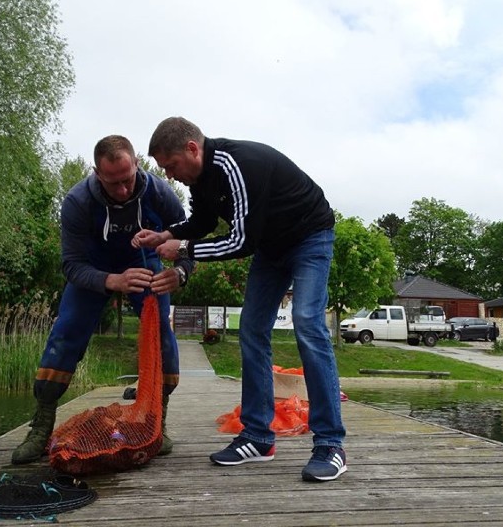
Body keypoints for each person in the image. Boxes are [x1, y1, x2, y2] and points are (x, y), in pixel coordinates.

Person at [132, 116, 347, 482]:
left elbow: (240, 242)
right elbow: (201, 223)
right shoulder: (201, 179)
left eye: (171, 166)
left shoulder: (236, 165)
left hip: (309, 236)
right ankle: (258, 438)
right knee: (251, 329)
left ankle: (330, 445)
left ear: (192, 149)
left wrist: (183, 247)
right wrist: (164, 234)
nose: (170, 175)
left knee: (308, 324)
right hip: (272, 246)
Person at [11, 135, 194, 465]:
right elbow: (71, 264)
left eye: (128, 179)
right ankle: (40, 428)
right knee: (65, 334)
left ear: (137, 163)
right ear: (97, 173)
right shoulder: (78, 202)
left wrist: (180, 272)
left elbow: (188, 241)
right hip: (93, 269)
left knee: (162, 338)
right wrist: (113, 281)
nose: (123, 190)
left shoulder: (159, 193)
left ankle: (157, 424)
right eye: (113, 183)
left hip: (143, 265)